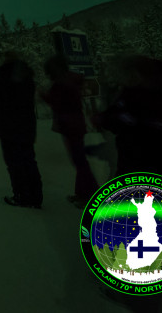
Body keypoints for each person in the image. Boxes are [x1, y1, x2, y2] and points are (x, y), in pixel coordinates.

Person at [97, 55, 162, 177]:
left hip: (147, 164)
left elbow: (138, 123)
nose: (129, 77)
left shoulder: (153, 101)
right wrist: (105, 118)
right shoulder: (131, 95)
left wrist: (113, 119)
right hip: (133, 162)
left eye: (135, 73)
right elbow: (117, 115)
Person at [0, 51, 43, 208]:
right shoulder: (27, 76)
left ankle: (21, 195)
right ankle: (35, 196)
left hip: (8, 127)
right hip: (26, 125)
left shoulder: (3, 75)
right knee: (28, 160)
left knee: (14, 162)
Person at [41, 55, 98, 208]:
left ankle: (91, 195)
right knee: (78, 160)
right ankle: (82, 193)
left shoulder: (62, 83)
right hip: (74, 124)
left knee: (79, 161)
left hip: (70, 125)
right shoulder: (70, 80)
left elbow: (59, 103)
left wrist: (44, 96)